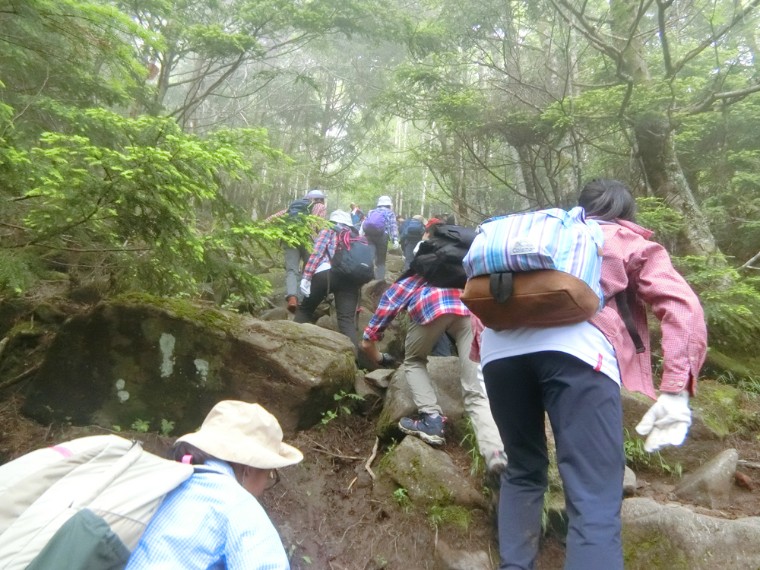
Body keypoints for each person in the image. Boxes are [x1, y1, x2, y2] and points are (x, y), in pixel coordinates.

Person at [477, 178, 708, 569]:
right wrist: (676, 387)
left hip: (499, 354)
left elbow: (484, 303)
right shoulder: (623, 238)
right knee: (593, 493)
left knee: (523, 470)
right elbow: (681, 306)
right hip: (579, 353)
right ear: (627, 214)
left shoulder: (543, 240)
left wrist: (485, 356)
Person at [126, 400, 303, 569]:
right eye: (269, 473)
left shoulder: (163, 482)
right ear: (250, 467)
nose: (265, 485)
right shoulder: (238, 505)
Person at [360, 273, 507, 475]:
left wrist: (373, 347)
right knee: (475, 390)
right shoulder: (463, 267)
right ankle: (496, 453)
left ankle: (431, 419)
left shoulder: (423, 268)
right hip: (468, 310)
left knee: (414, 361)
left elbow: (391, 299)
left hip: (430, 305)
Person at [295, 210, 364, 352]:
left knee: (305, 310)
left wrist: (306, 278)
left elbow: (316, 254)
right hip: (350, 280)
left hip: (326, 274)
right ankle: (354, 360)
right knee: (346, 321)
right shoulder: (357, 236)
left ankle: (289, 341)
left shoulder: (328, 230)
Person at [267, 189, 327, 313]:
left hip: (290, 238)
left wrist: (263, 226)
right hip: (308, 240)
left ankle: (292, 297)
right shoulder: (320, 206)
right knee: (308, 269)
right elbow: (318, 224)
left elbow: (274, 217)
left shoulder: (295, 206)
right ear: (320, 199)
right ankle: (303, 298)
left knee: (291, 269)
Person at [361, 195, 399, 280]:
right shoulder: (390, 213)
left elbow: (365, 224)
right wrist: (395, 240)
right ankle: (379, 281)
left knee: (369, 258)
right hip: (382, 237)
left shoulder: (372, 211)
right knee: (381, 261)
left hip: (369, 236)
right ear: (388, 204)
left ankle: (366, 278)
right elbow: (392, 227)